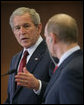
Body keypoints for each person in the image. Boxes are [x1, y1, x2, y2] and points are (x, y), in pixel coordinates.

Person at [4, 7, 52, 104]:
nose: (22, 32)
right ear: (14, 32)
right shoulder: (15, 59)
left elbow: (61, 91)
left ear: (38, 28)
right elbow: (12, 99)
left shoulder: (52, 53)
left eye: (26, 26)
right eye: (17, 28)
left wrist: (38, 85)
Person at [42, 13, 83, 104]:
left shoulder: (72, 72)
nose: (46, 42)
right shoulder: (73, 63)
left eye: (46, 37)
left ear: (53, 38)